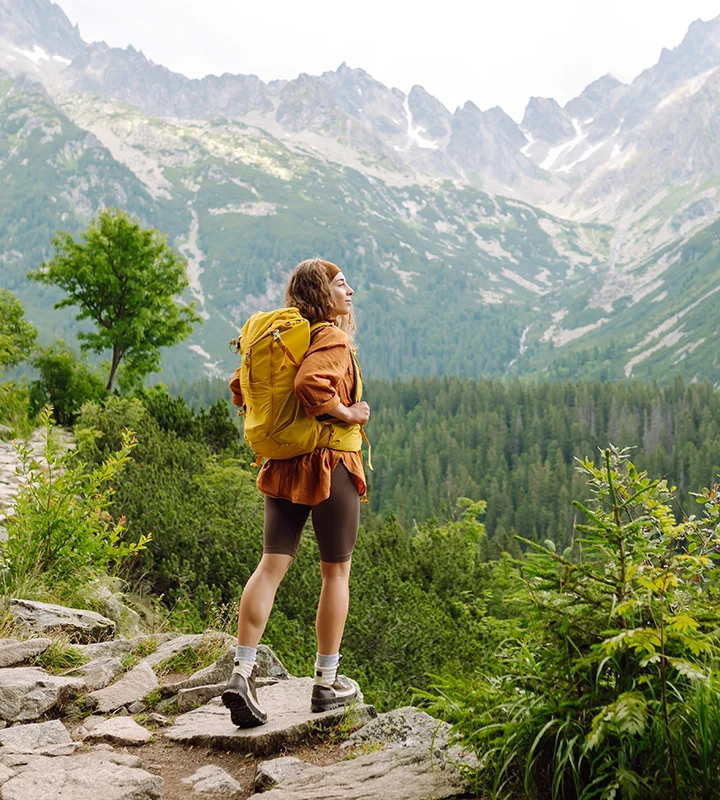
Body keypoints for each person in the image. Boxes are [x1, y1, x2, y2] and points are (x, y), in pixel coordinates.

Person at [222, 258, 370, 728]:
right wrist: (348, 413)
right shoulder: (330, 336)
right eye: (341, 284)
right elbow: (311, 384)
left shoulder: (279, 338)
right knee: (336, 574)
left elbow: (240, 389)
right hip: (331, 464)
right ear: (323, 294)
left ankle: (241, 671)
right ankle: (326, 684)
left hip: (284, 465)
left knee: (271, 566)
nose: (350, 291)